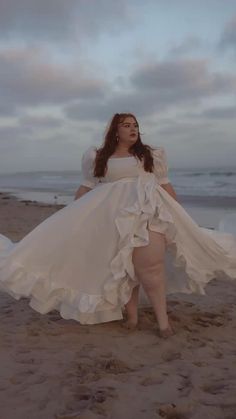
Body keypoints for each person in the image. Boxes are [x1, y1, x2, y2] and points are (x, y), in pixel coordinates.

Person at [0, 113, 236, 339]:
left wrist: (182, 217)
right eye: (126, 125)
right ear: (115, 131)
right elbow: (86, 188)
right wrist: (74, 220)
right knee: (124, 268)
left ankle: (163, 322)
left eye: (135, 125)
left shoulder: (151, 155)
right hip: (111, 219)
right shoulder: (97, 157)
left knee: (150, 268)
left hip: (149, 214)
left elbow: (165, 186)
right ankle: (131, 317)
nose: (133, 128)